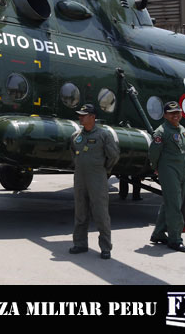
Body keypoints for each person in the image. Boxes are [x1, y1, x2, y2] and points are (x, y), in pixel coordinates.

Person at [69, 104, 120, 259]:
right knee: (80, 212)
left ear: (92, 117)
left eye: (83, 115)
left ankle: (105, 247)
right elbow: (73, 153)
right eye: (80, 115)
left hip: (97, 178)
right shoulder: (76, 136)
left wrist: (104, 170)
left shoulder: (104, 135)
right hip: (80, 178)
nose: (80, 117)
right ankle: (80, 243)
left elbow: (113, 156)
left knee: (100, 213)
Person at [148, 101, 185, 253]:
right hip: (168, 170)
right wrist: (156, 168)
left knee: (169, 203)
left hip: (181, 170)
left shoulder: (181, 129)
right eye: (172, 113)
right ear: (165, 115)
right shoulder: (161, 132)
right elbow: (153, 152)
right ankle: (175, 239)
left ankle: (158, 233)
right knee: (174, 205)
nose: (175, 115)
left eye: (177, 112)